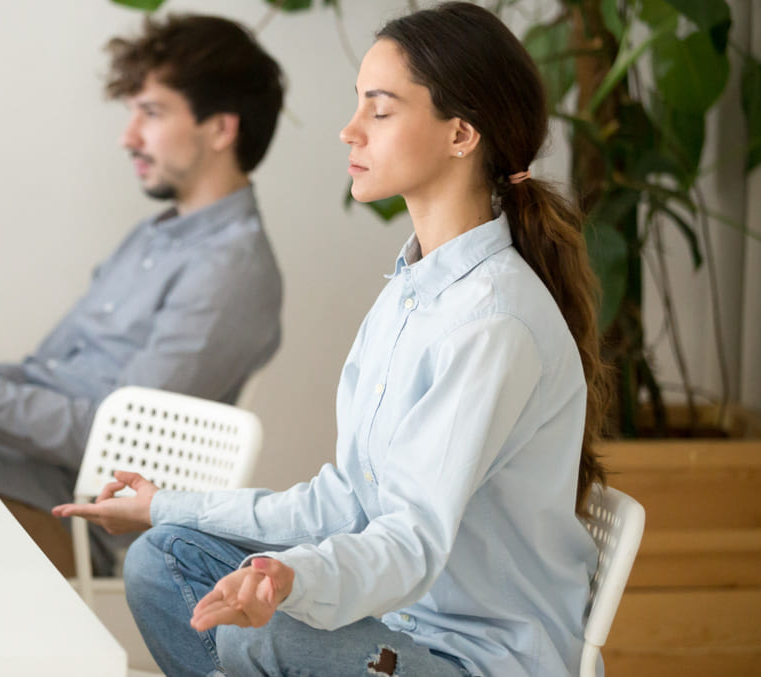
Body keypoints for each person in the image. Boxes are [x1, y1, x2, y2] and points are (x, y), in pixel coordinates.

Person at [53, 3, 611, 676]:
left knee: (265, 636)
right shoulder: (409, 291)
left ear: (460, 133)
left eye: (378, 111)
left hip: (470, 655)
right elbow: (344, 500)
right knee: (162, 557)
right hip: (394, 621)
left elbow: (408, 540)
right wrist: (163, 503)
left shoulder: (493, 321)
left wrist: (289, 577)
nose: (349, 131)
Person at [0, 14, 285, 577]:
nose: (128, 137)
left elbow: (118, 446)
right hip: (11, 470)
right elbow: (41, 375)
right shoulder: (153, 237)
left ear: (220, 130)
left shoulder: (231, 272)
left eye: (151, 112)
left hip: (71, 519)